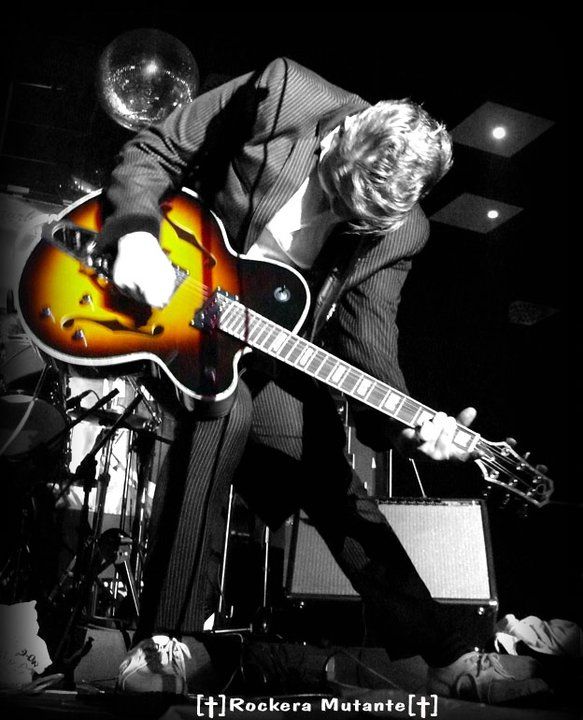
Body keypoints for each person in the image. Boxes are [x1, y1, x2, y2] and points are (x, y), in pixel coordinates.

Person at [97, 57, 547, 703]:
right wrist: (136, 236)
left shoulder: (400, 231)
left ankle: (450, 656)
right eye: (335, 194)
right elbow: (153, 151)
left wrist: (408, 426)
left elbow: (368, 347)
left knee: (334, 484)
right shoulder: (284, 93)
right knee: (223, 414)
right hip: (165, 299)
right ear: (340, 134)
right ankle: (164, 641)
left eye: (354, 218)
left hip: (259, 345)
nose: (335, 214)